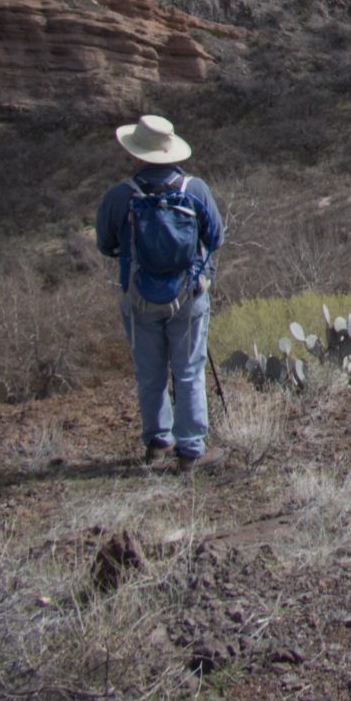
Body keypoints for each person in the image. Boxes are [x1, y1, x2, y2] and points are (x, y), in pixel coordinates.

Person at [95, 115, 223, 472]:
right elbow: (216, 237)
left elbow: (106, 245)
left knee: (150, 372)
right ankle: (191, 451)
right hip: (188, 296)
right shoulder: (194, 189)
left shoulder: (120, 196)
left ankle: (156, 444)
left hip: (139, 298)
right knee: (189, 370)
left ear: (137, 154)